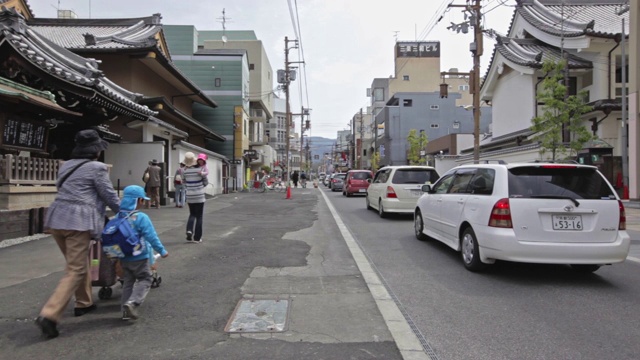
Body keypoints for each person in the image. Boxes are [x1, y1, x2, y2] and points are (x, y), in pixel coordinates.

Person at [35, 129, 120, 339]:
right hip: (78, 221)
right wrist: (126, 213)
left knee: (77, 264)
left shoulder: (66, 165)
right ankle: (50, 314)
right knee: (75, 268)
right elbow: (108, 194)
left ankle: (84, 303)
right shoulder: (97, 168)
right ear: (96, 151)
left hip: (56, 219)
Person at [117, 185, 168, 321]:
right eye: (143, 200)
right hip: (139, 256)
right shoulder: (141, 217)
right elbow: (151, 236)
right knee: (146, 279)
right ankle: (132, 303)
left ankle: (124, 311)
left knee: (128, 282)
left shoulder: (118, 216)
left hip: (124, 257)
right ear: (139, 200)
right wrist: (162, 250)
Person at [183, 152, 206, 242]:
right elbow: (205, 181)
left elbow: (184, 182)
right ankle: (197, 237)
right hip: (199, 195)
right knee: (199, 216)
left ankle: (189, 230)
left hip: (190, 195)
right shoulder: (200, 170)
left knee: (192, 214)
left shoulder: (184, 171)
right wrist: (200, 186)